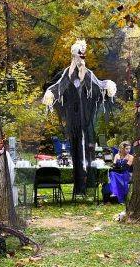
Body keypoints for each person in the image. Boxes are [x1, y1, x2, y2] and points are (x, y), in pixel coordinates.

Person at [42, 40, 117, 195]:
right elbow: (57, 87)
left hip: (86, 120)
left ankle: (88, 186)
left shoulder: (88, 75)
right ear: (74, 54)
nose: (83, 55)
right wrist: (50, 93)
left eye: (84, 53)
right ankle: (79, 187)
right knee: (76, 149)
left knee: (89, 149)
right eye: (80, 52)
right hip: (74, 120)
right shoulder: (66, 75)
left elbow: (99, 85)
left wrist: (108, 84)